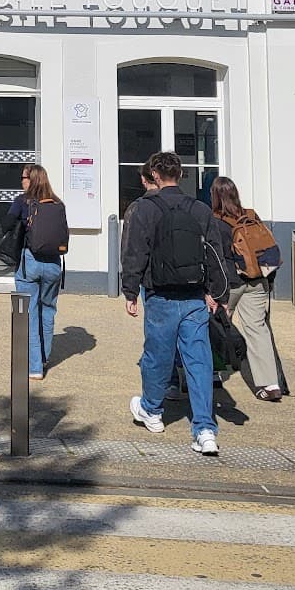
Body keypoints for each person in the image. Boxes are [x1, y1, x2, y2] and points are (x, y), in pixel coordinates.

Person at [121, 150, 230, 456]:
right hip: (194, 296)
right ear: (180, 174)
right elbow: (215, 254)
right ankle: (205, 430)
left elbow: (134, 253)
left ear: (154, 175)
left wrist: (130, 291)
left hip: (160, 296)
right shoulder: (200, 209)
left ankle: (152, 410)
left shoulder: (143, 209)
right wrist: (217, 293)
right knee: (199, 361)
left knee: (157, 356)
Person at [209, 175, 284, 402]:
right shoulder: (251, 216)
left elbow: (216, 258)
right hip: (257, 280)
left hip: (230, 284)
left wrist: (212, 290)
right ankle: (270, 384)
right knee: (257, 330)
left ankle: (213, 373)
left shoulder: (215, 221)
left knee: (213, 325)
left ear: (215, 196)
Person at [12, 164, 69, 380]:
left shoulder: (23, 201)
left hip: (30, 262)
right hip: (54, 264)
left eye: (23, 177)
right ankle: (44, 358)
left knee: (28, 313)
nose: (21, 181)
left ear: (31, 180)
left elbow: (7, 223)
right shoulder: (58, 204)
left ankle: (34, 366)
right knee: (48, 310)